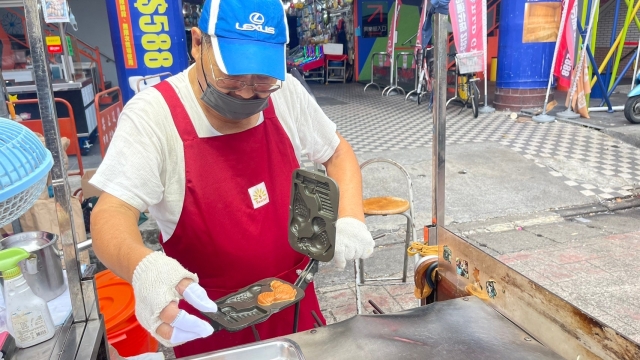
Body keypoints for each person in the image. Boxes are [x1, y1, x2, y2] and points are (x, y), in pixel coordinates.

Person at [89, 0, 375, 358]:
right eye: (232, 78)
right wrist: (142, 265)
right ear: (197, 44)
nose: (246, 93)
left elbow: (337, 152)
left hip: (296, 302)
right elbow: (111, 211)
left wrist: (350, 218)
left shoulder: (286, 96)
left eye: (262, 82)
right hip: (210, 322)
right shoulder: (153, 116)